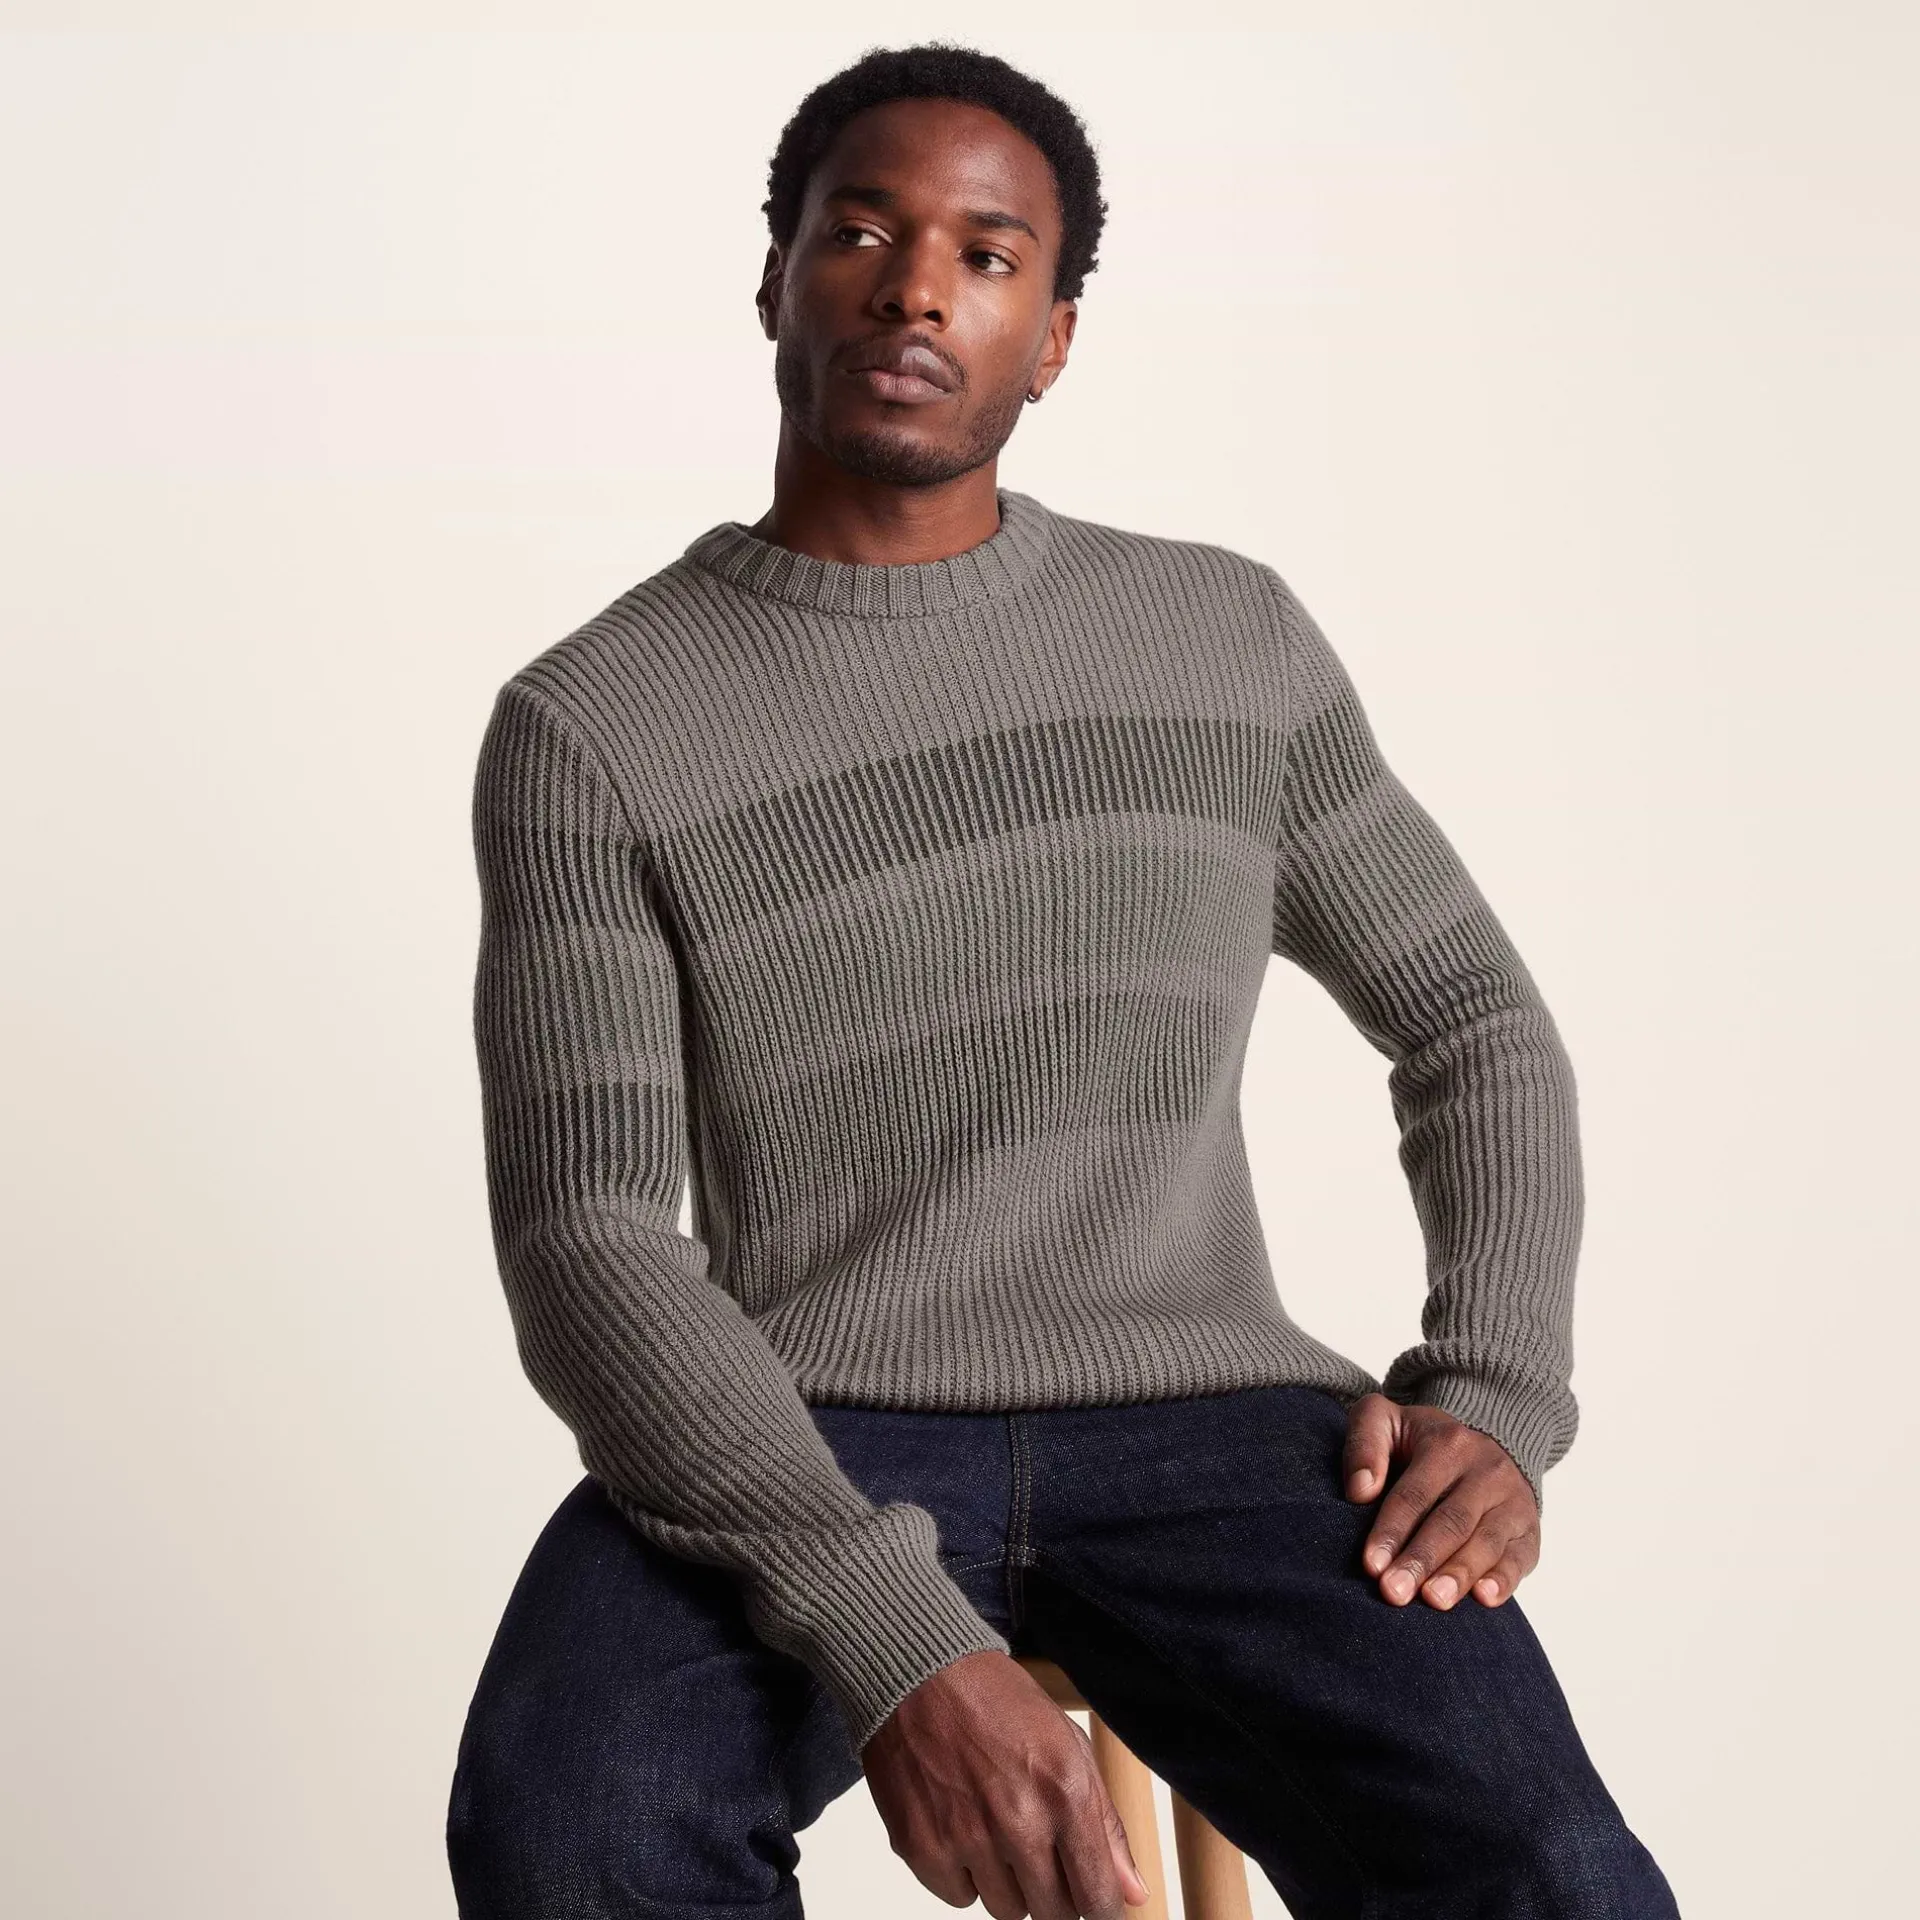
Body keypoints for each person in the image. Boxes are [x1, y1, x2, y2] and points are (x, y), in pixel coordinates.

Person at [445, 40, 1680, 1920]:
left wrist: (1500, 1392)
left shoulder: (1223, 640)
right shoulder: (595, 723)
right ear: (775, 280)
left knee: (1550, 1875)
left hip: (1217, 1419)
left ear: (1056, 338)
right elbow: (590, 1240)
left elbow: (1474, 1021)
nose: (916, 288)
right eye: (860, 232)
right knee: (571, 1834)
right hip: (805, 1421)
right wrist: (894, 1639)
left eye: (987, 253)